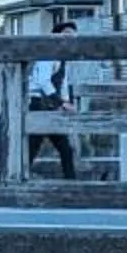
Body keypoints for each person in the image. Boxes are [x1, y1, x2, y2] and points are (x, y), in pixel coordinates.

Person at [26, 22, 79, 180]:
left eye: (73, 36)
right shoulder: (48, 54)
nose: (70, 39)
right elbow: (43, 82)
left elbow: (63, 83)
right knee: (33, 146)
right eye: (66, 34)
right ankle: (19, 177)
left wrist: (66, 102)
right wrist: (61, 103)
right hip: (39, 103)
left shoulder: (62, 58)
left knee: (64, 147)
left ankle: (71, 182)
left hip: (51, 106)